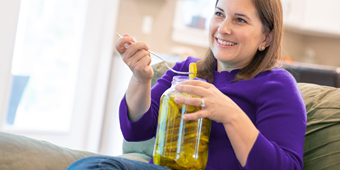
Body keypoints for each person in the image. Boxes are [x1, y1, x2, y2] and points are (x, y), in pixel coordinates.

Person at [68, 0, 306, 169]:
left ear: (266, 38)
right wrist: (141, 79)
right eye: (219, 14)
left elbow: (284, 166)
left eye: (240, 20)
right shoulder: (186, 69)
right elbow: (137, 131)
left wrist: (230, 114)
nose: (223, 28)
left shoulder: (277, 85)